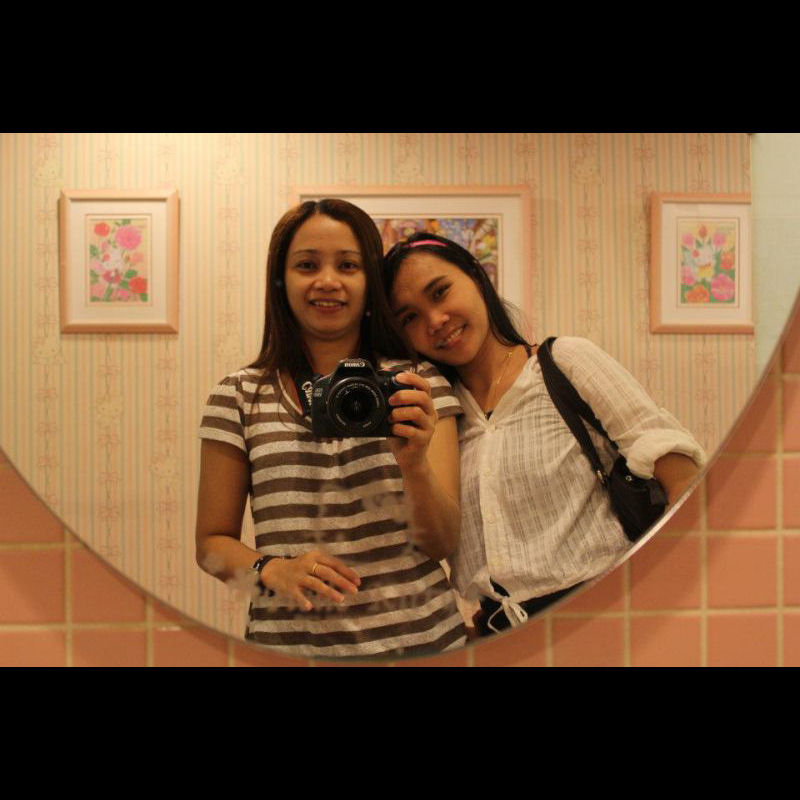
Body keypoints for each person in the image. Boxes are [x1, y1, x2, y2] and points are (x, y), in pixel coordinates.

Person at [384, 232, 706, 636]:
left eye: (440, 292)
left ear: (477, 277)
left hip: (608, 621)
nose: (435, 321)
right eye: (409, 318)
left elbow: (682, 477)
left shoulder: (564, 362)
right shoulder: (442, 418)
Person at [196, 201, 467, 658]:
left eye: (348, 265)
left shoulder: (416, 384)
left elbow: (442, 543)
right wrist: (269, 570)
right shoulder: (239, 396)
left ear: (370, 282)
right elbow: (209, 547)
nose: (327, 280)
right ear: (280, 280)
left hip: (424, 647)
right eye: (307, 265)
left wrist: (414, 464)